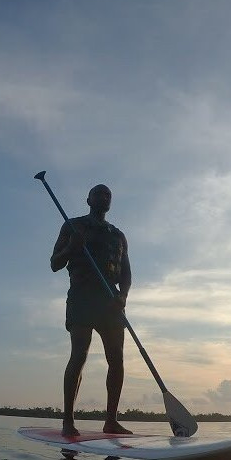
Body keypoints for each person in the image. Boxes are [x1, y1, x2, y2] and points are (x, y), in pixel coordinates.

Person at [50, 183, 132, 437]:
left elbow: (126, 273)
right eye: (99, 194)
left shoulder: (118, 235)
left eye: (108, 194)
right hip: (82, 298)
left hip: (110, 302)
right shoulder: (73, 226)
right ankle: (68, 420)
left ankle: (111, 421)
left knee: (116, 359)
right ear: (88, 200)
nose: (104, 197)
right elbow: (55, 263)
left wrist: (123, 296)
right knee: (79, 355)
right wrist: (72, 247)